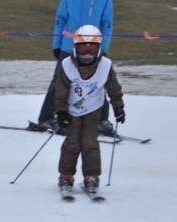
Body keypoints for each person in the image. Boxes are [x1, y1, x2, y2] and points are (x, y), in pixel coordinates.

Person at [54, 25, 125, 194]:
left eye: (91, 49)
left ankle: (91, 176)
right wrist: (61, 111)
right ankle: (66, 175)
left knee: (90, 143)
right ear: (75, 47)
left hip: (93, 110)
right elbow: (60, 90)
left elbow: (113, 88)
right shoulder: (67, 65)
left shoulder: (105, 65)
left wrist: (118, 107)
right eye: (83, 48)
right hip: (72, 110)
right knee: (72, 143)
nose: (87, 54)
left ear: (99, 48)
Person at [28, 0, 115, 136]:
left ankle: (101, 120)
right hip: (68, 46)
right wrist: (56, 45)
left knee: (97, 82)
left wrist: (103, 48)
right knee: (59, 82)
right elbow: (60, 20)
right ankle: (46, 118)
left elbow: (107, 23)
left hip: (92, 49)